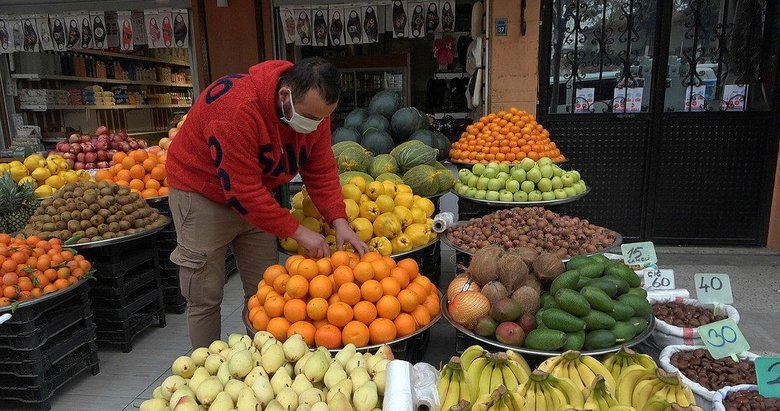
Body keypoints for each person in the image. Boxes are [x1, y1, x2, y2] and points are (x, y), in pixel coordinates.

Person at [166, 57, 368, 348]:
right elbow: (243, 190)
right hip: (202, 193)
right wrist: (298, 231)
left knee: (267, 290)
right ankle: (204, 368)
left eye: (322, 119)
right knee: (205, 293)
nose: (315, 126)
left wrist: (339, 221)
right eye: (310, 118)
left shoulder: (315, 112)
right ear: (285, 95)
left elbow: (321, 169)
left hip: (258, 193)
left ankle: (261, 366)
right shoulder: (234, 109)